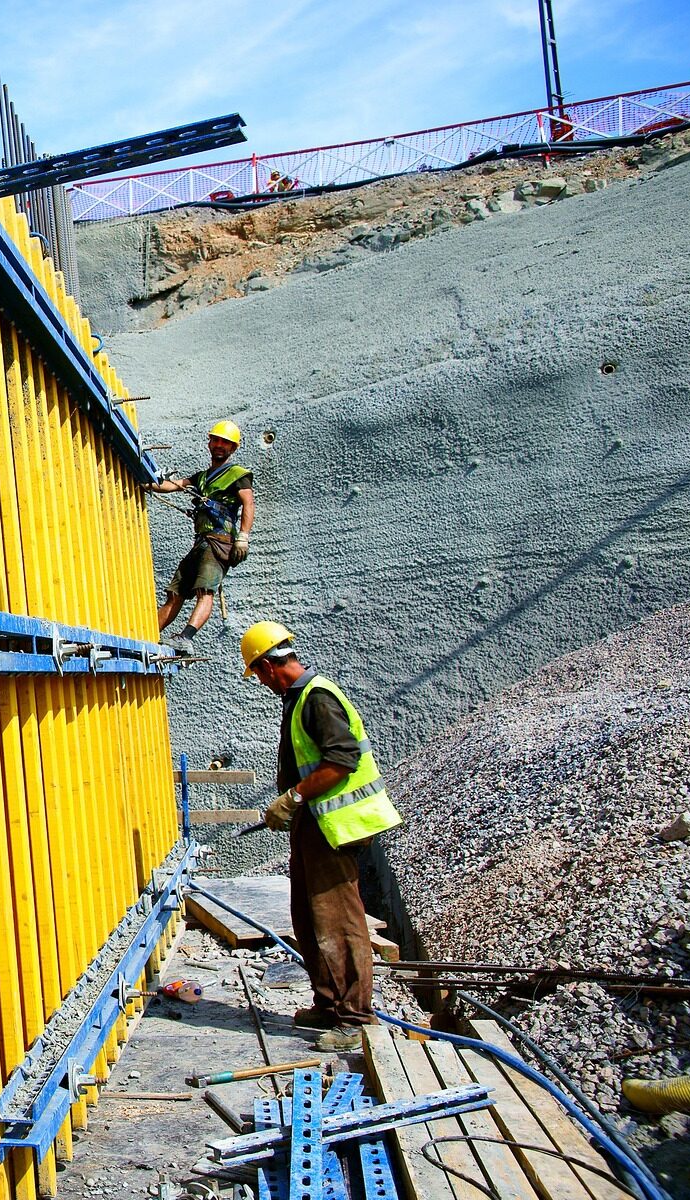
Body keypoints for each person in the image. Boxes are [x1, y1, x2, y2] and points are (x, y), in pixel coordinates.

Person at [239, 620, 405, 1053]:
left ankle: (354, 1019)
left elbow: (342, 760)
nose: (261, 682)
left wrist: (292, 797)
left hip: (334, 829)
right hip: (314, 827)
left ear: (268, 666)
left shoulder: (317, 699)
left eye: (258, 675)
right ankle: (330, 1004)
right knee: (309, 918)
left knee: (340, 923)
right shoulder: (299, 699)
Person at [144, 420, 254, 654]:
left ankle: (186, 638)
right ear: (209, 443)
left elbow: (248, 504)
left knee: (205, 590)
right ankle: (147, 636)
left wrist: (243, 537)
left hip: (220, 542)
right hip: (202, 542)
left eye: (225, 442)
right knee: (175, 593)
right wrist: (147, 483)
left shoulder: (238, 475)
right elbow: (173, 486)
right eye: (216, 440)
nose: (219, 445)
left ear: (233, 448)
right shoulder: (202, 477)